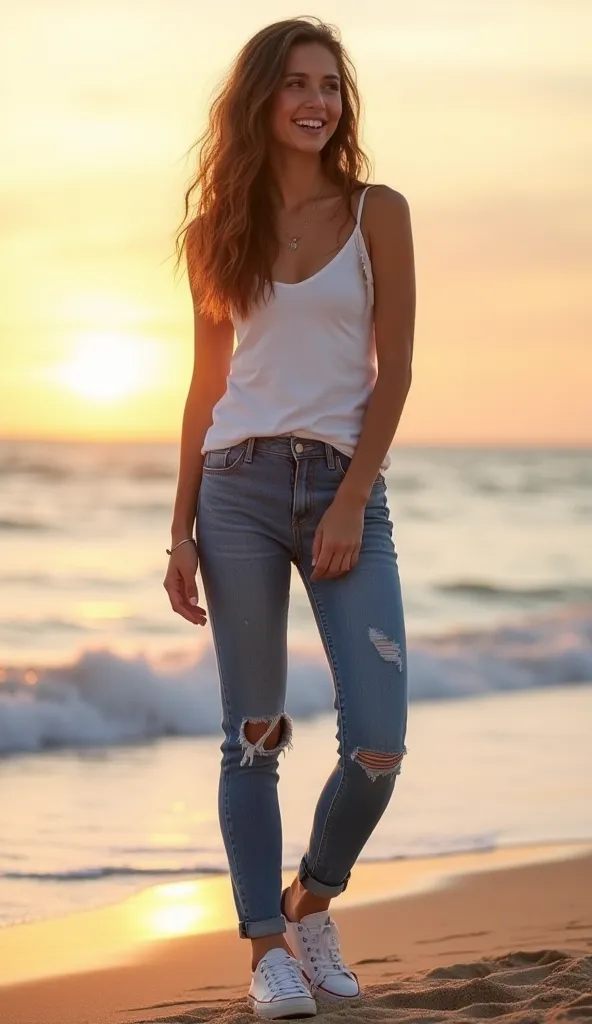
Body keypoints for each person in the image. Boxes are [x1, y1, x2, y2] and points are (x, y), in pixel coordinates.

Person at [165, 16, 415, 1020]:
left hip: (341, 486)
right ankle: (265, 946)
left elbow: (393, 369)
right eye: (298, 84)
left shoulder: (377, 211)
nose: (318, 100)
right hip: (235, 492)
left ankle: (308, 899)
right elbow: (204, 386)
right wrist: (177, 527)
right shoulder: (213, 231)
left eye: (331, 85)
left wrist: (353, 495)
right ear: (260, 100)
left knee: (379, 739)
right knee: (255, 738)